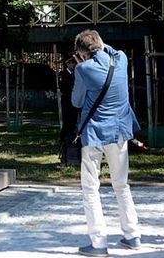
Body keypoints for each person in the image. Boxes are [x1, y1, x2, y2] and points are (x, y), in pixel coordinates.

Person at [71, 30, 141, 257]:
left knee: (91, 189)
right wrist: (95, 50)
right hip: (119, 132)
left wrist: (82, 63)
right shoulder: (121, 59)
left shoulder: (83, 69)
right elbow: (110, 50)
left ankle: (99, 243)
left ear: (81, 54)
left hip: (94, 134)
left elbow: (76, 101)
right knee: (121, 185)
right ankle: (132, 235)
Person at [58, 57, 79, 145]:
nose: (73, 65)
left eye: (74, 63)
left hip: (74, 99)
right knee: (66, 118)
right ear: (67, 64)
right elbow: (63, 86)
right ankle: (64, 136)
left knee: (74, 117)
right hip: (66, 99)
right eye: (72, 63)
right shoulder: (62, 74)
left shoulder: (76, 74)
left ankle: (72, 135)